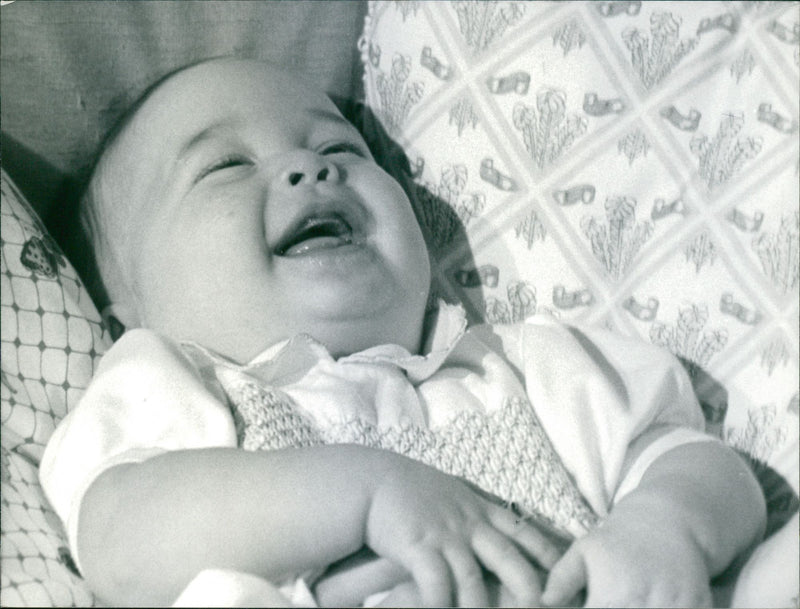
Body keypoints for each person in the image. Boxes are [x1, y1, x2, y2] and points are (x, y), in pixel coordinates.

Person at [40, 58, 765, 608]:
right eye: (227, 166)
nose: (309, 167)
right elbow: (119, 538)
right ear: (122, 309)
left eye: (345, 150)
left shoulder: (516, 363)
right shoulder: (174, 384)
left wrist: (664, 523)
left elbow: (693, 454)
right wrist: (367, 492)